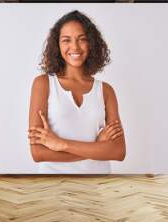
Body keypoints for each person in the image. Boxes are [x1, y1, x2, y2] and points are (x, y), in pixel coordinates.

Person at [28, 10, 126, 174]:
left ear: (91, 44)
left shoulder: (106, 90)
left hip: (98, 184)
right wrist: (97, 147)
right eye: (66, 40)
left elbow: (118, 152)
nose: (74, 47)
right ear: (57, 45)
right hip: (52, 185)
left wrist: (61, 144)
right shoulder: (43, 84)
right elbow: (38, 153)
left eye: (82, 39)